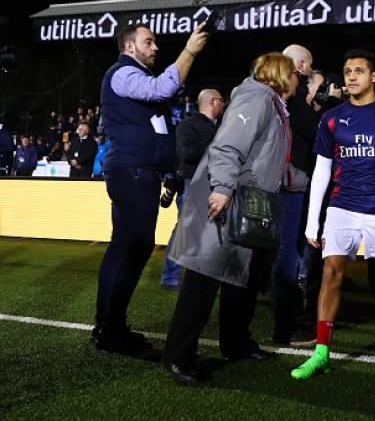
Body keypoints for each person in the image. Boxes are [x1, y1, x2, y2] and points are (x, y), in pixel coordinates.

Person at [161, 52, 295, 385]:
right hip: (227, 198)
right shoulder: (257, 99)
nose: (298, 80)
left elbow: (271, 162)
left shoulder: (270, 104)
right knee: (203, 279)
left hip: (245, 201)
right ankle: (177, 357)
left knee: (240, 278)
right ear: (280, 74)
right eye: (295, 73)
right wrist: (221, 188)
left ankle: (235, 344)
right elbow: (228, 147)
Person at [290, 49, 375, 379]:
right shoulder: (332, 118)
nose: (351, 76)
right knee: (331, 272)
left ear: (373, 76)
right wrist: (312, 218)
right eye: (347, 71)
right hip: (341, 206)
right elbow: (322, 169)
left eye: (359, 71)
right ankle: (322, 352)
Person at [91, 20, 209, 354]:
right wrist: (189, 51)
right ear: (130, 46)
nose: (156, 47)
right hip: (133, 170)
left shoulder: (132, 75)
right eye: (149, 41)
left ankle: (107, 325)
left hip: (136, 170)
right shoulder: (122, 72)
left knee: (122, 246)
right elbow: (161, 89)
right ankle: (112, 329)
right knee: (137, 246)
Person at [269, 44, 321, 347]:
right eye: (309, 67)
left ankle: (286, 322)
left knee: (284, 253)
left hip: (284, 182)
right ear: (299, 65)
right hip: (289, 184)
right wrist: (321, 107)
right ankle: (284, 328)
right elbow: (314, 132)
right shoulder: (290, 91)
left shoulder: (268, 92)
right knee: (286, 254)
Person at [160, 88, 225, 291]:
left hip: (215, 183)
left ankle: (202, 278)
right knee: (184, 230)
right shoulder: (188, 124)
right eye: (222, 101)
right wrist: (213, 142)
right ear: (213, 102)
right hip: (193, 183)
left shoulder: (220, 125)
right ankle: (170, 278)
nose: (224, 104)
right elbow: (185, 154)